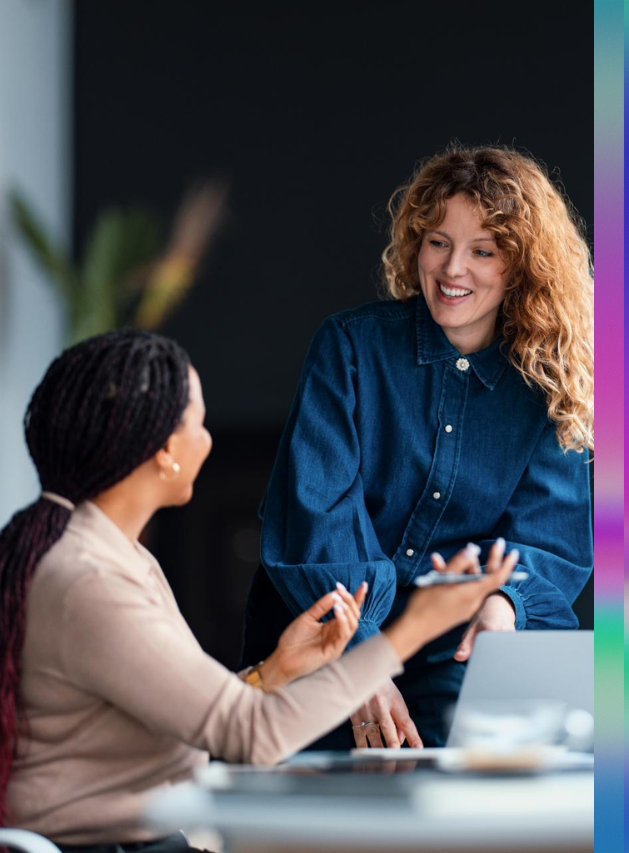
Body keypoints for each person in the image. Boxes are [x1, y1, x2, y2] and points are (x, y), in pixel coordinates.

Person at [0, 329, 518, 849]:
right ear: (163, 451)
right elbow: (254, 735)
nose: (208, 439)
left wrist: (275, 672)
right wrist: (415, 628)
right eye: (198, 423)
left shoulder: (110, 554)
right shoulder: (90, 581)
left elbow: (193, 720)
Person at [241, 144, 594, 750]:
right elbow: (315, 515)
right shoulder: (350, 348)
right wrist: (361, 660)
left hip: (452, 641)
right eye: (438, 242)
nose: (453, 269)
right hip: (323, 629)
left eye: (482, 251)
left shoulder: (548, 383)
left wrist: (503, 606)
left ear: (522, 267)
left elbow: (547, 541)